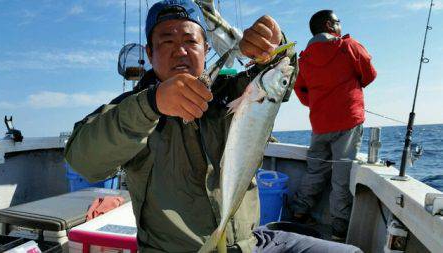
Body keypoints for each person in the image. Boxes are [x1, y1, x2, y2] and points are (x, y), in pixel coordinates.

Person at [65, 1, 361, 252]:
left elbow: (279, 76)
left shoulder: (232, 93)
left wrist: (273, 46)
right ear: (150, 52)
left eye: (190, 41)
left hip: (251, 243)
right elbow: (82, 160)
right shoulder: (132, 109)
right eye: (166, 41)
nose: (179, 51)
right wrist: (151, 104)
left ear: (206, 49)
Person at [292, 9, 377, 241]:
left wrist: (317, 104)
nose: (340, 26)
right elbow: (369, 74)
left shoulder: (304, 58)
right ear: (330, 25)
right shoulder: (348, 46)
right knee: (341, 175)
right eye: (338, 22)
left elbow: (299, 90)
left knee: (315, 170)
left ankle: (299, 212)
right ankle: (339, 228)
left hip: (319, 125)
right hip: (348, 122)